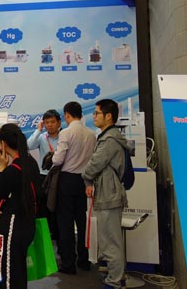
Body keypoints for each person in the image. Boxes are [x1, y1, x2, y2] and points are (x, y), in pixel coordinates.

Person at [82, 99, 130, 289]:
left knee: (111, 242)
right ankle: (115, 276)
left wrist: (85, 177)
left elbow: (95, 163)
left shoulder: (109, 140)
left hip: (109, 195)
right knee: (109, 239)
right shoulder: (109, 136)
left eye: (97, 113)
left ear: (108, 116)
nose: (94, 116)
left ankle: (115, 281)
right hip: (107, 192)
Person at [0, 123, 41, 289]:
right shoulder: (31, 163)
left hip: (12, 225)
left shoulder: (12, 170)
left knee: (6, 271)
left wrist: (1, 167)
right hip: (27, 223)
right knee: (17, 270)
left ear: (3, 144)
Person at [52, 101, 96, 274]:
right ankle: (84, 260)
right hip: (84, 180)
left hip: (67, 180)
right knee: (82, 221)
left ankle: (68, 263)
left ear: (67, 115)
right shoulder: (91, 134)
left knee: (66, 223)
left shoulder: (66, 133)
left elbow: (57, 160)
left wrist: (53, 156)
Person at [27, 109, 61, 176]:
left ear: (59, 123)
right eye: (47, 122)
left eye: (53, 122)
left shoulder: (64, 137)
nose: (50, 125)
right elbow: (29, 146)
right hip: (44, 173)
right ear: (43, 124)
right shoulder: (41, 137)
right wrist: (39, 130)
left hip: (59, 173)